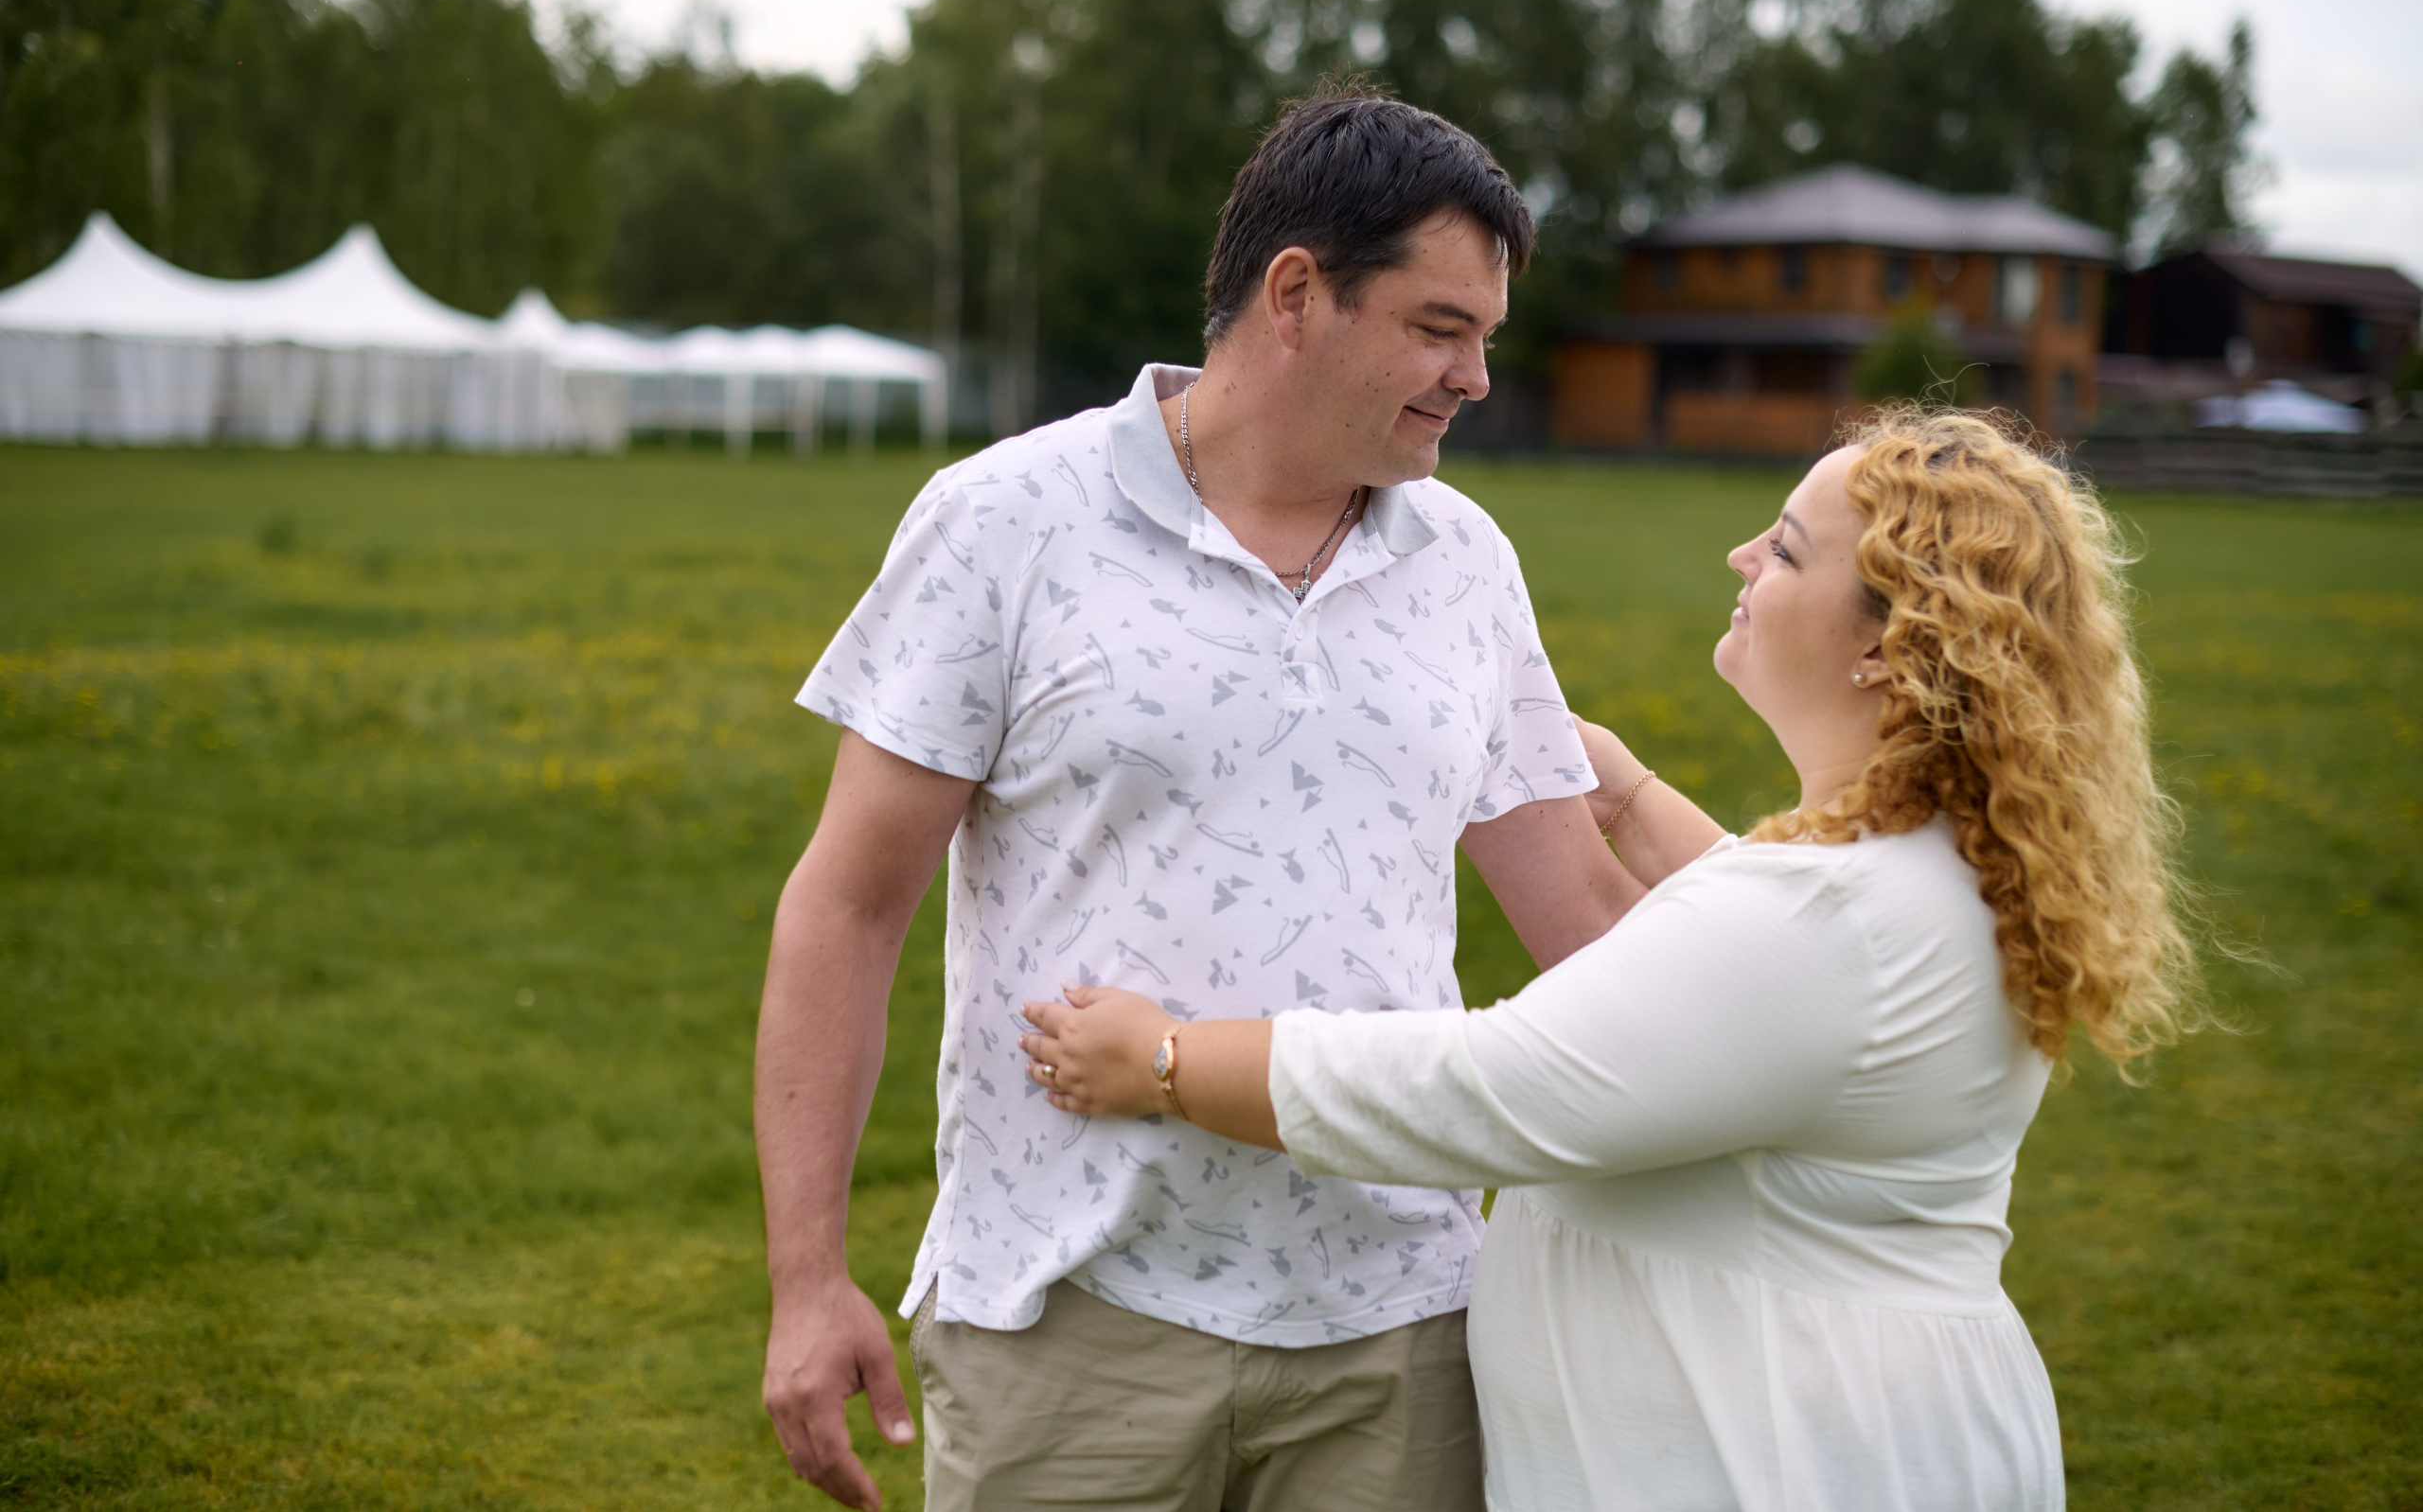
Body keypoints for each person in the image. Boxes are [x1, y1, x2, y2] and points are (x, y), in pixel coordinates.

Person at [1022, 409, 2203, 1512]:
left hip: (1782, 1454)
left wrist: (1164, 1057)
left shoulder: (1828, 920)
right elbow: (1765, 960)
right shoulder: (1942, 870)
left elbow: (1486, 1087)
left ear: (1890, 648)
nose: (1744, 556)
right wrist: (1629, 795)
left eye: (1787, 553)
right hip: (1874, 1423)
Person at [755, 86, 1646, 1512]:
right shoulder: (1003, 519)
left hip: (1402, 1332)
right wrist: (806, 1281)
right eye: (1439, 327)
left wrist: (1818, 1020)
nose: (1478, 375)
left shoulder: (1468, 558)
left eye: (1487, 335)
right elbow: (848, 904)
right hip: (1068, 1322)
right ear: (1297, 293)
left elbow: (1583, 914)